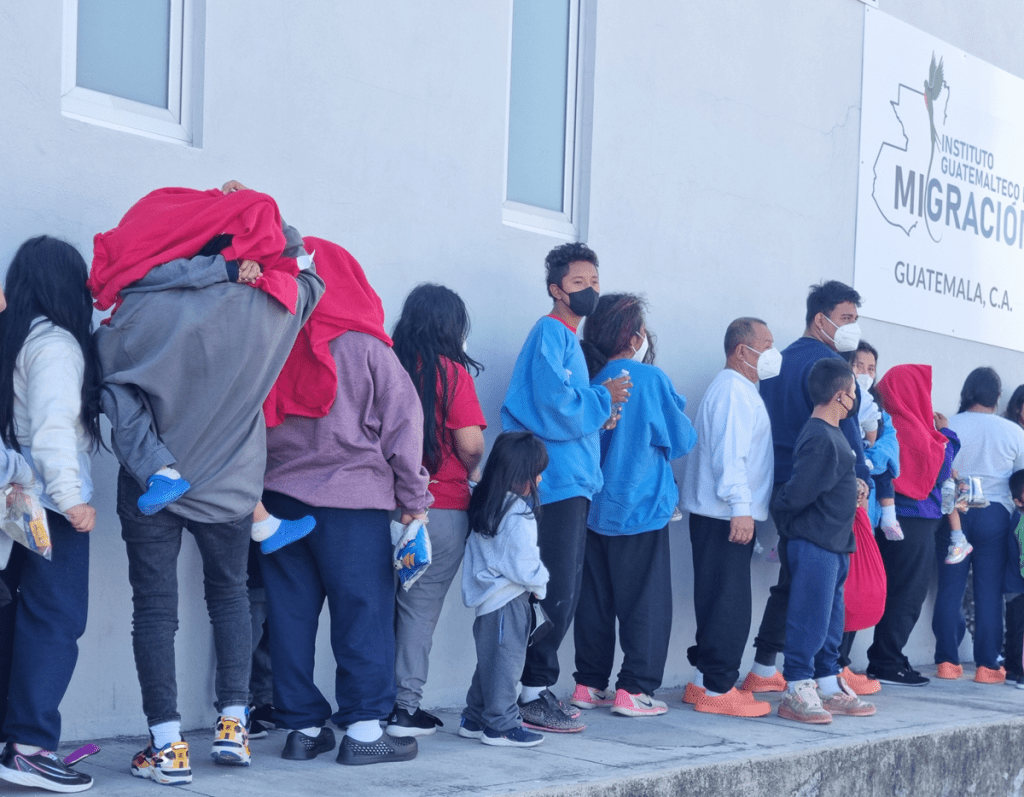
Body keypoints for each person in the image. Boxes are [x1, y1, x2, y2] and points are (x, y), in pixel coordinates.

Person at [93, 185, 326, 784]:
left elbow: (112, 359)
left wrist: (205, 259)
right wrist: (254, 206)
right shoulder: (278, 309)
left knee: (155, 609)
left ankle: (167, 747)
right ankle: (234, 726)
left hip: (153, 486)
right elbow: (308, 270)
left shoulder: (145, 308)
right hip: (231, 484)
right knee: (230, 599)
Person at [259, 238, 432, 766]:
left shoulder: (273, 340)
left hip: (277, 504)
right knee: (363, 615)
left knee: (289, 617)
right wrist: (414, 499)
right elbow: (406, 427)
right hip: (352, 505)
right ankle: (362, 731)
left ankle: (303, 729)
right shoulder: (368, 348)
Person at [500, 242, 630, 733]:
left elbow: (572, 409)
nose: (590, 290)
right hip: (551, 484)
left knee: (564, 589)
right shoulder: (549, 333)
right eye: (579, 283)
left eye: (594, 282)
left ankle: (536, 688)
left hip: (572, 482)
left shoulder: (569, 340)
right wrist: (602, 398)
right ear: (556, 289)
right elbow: (555, 406)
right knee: (551, 589)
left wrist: (601, 410)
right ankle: (531, 692)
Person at [0, 237, 102, 793]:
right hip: (45, 505)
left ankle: (12, 741)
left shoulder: (11, 336)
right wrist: (73, 501)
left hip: (10, 504)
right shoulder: (55, 344)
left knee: (14, 619)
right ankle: (30, 749)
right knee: (56, 622)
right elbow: (54, 430)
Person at [744, 281, 874, 696]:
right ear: (822, 320)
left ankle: (768, 666)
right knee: (815, 586)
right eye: (847, 319)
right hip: (822, 482)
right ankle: (811, 675)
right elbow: (847, 429)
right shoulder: (830, 366)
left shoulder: (776, 361)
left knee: (797, 577)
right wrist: (863, 481)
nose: (852, 328)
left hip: (780, 479)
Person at [570, 294, 697, 718]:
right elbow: (681, 440)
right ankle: (634, 690)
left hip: (591, 508)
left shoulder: (588, 376)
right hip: (640, 507)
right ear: (634, 334)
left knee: (595, 602)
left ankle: (587, 684)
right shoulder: (647, 377)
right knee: (645, 602)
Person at [386, 284, 486, 738]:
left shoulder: (386, 363)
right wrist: (473, 466)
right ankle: (403, 708)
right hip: (439, 508)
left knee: (373, 607)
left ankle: (366, 703)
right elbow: (470, 444)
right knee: (417, 612)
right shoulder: (450, 372)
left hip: (378, 509)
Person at [679, 317, 777, 718]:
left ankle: (704, 683)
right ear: (742, 350)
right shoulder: (734, 391)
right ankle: (718, 689)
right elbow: (729, 456)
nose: (773, 353)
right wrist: (741, 508)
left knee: (718, 598)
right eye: (766, 345)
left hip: (721, 515)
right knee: (728, 603)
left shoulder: (738, 390)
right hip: (725, 515)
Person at [775, 358, 875, 724]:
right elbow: (798, 492)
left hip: (835, 543)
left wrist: (854, 486)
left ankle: (827, 682)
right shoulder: (819, 435)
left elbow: (828, 481)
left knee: (830, 620)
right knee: (809, 616)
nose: (855, 399)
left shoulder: (833, 434)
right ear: (840, 396)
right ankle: (797, 687)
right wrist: (785, 520)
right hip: (816, 543)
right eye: (852, 392)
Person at [864, 364, 959, 686]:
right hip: (914, 520)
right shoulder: (911, 428)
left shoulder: (889, 422)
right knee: (907, 594)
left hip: (897, 519)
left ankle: (887, 657)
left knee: (894, 592)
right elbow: (940, 467)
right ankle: (886, 661)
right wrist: (948, 435)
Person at [458, 432, 550, 748]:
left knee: (491, 661)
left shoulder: (485, 499)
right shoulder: (518, 514)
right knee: (506, 665)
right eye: (536, 472)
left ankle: (474, 718)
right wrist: (542, 584)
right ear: (520, 475)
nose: (539, 478)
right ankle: (501, 726)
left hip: (488, 600)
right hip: (508, 600)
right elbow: (525, 564)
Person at [933, 367, 1024, 684]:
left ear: (967, 391)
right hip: (995, 515)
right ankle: (987, 667)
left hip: (953, 513)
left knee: (950, 589)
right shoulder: (1013, 432)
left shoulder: (949, 425)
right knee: (989, 593)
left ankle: (946, 662)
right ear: (998, 398)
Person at [1002, 469, 1024, 688]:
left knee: (1015, 629)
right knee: (1019, 632)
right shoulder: (1023, 521)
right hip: (1019, 586)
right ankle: (1020, 673)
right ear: (1018, 500)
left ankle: (1011, 670)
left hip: (1013, 586)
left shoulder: (1018, 517)